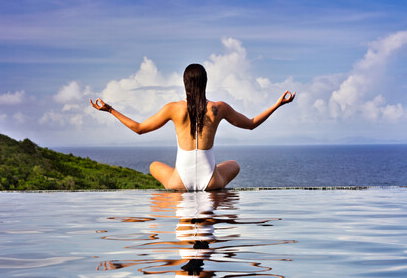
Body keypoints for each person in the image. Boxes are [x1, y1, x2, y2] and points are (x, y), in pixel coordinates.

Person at [90, 63, 295, 191]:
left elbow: (139, 128)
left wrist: (110, 110)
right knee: (235, 164)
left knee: (153, 165)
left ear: (185, 83)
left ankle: (167, 205)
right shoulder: (218, 108)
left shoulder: (173, 109)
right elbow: (251, 124)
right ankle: (219, 201)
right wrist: (278, 104)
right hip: (211, 182)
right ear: (205, 82)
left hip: (179, 183)